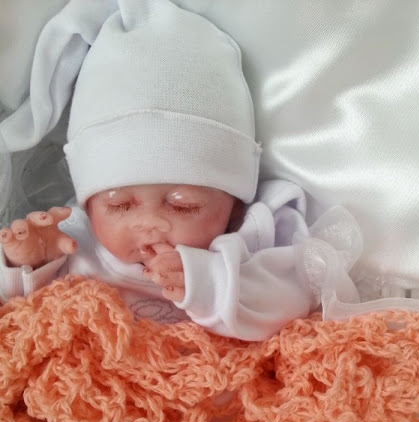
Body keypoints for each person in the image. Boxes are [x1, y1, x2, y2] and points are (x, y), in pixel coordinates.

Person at [0, 0, 360, 341]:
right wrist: (29, 264)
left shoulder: (252, 233)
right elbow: (25, 318)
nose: (149, 223)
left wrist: (207, 281)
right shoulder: (74, 240)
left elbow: (295, 297)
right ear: (89, 204)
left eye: (182, 205)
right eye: (119, 204)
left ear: (234, 204)